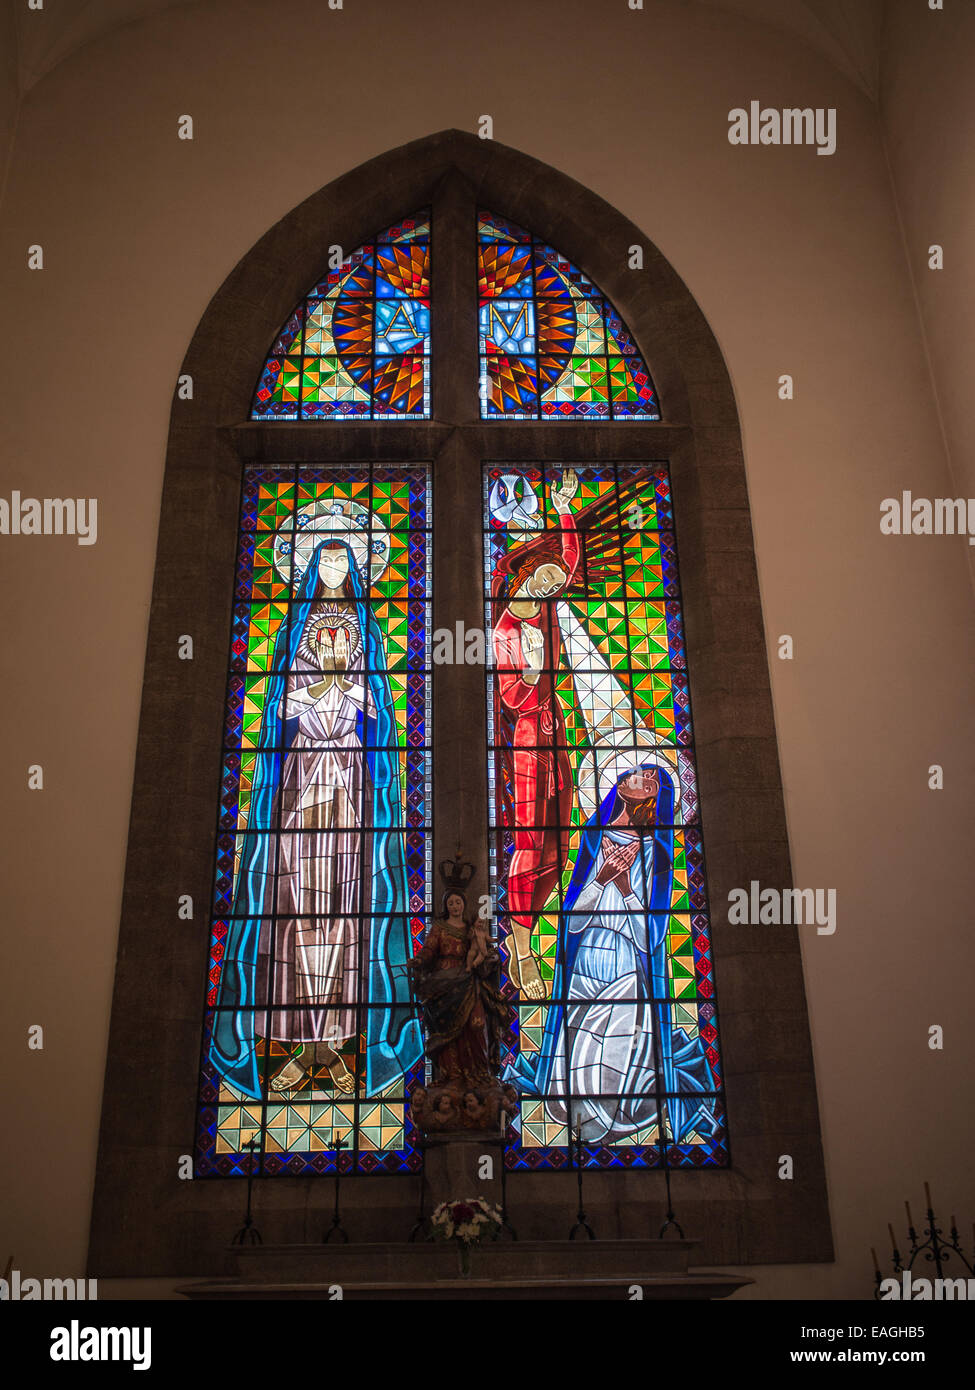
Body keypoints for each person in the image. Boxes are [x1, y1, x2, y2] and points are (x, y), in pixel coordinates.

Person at [209, 519, 420, 1101]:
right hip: (303, 777)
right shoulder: (291, 628)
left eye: (340, 560)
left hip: (349, 777)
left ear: (353, 569)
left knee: (347, 911)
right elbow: (278, 703)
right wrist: (321, 686)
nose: (332, 570)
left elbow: (378, 703)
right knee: (296, 908)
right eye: (323, 561)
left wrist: (343, 686)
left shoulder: (369, 630)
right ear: (310, 568)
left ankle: (341, 1043)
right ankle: (300, 1048)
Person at [506, 761, 718, 1145]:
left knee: (614, 1050)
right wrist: (601, 879)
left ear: (654, 797)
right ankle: (575, 1121)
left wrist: (622, 885)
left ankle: (600, 1130)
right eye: (636, 773)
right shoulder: (593, 839)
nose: (637, 777)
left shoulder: (655, 852)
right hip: (586, 957)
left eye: (649, 779)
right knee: (578, 1046)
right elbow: (571, 922)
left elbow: (648, 934)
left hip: (624, 962)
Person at [410, 893, 508, 1084]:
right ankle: (452, 1075)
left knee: (477, 1023)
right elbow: (429, 950)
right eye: (450, 903)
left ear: (464, 904)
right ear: (446, 907)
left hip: (467, 982)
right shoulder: (439, 928)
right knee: (448, 1031)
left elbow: (484, 946)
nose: (455, 906)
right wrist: (419, 960)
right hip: (444, 985)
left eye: (458, 902)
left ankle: (480, 1073)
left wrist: (491, 956)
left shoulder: (471, 928)